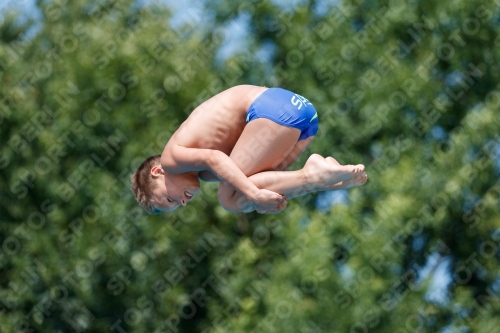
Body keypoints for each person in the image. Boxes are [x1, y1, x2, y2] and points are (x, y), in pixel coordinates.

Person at [131, 85, 367, 214]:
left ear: (158, 172)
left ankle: (315, 174)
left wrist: (253, 196)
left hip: (273, 110)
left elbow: (215, 158)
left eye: (170, 198)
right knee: (246, 191)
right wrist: (260, 200)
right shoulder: (202, 173)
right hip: (302, 117)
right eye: (175, 205)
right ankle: (326, 180)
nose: (181, 203)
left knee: (230, 199)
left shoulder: (172, 159)